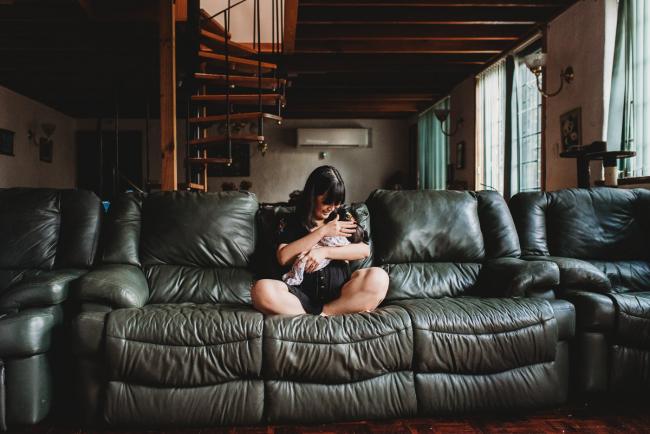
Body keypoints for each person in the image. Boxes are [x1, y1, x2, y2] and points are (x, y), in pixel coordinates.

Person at [251, 166, 389, 316]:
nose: (332, 207)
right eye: (328, 201)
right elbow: (283, 257)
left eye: (337, 202)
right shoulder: (291, 220)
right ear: (312, 195)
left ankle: (326, 313)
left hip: (341, 294)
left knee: (379, 277)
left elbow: (363, 250)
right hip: (299, 297)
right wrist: (323, 231)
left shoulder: (343, 216)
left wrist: (324, 252)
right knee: (261, 290)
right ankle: (314, 313)